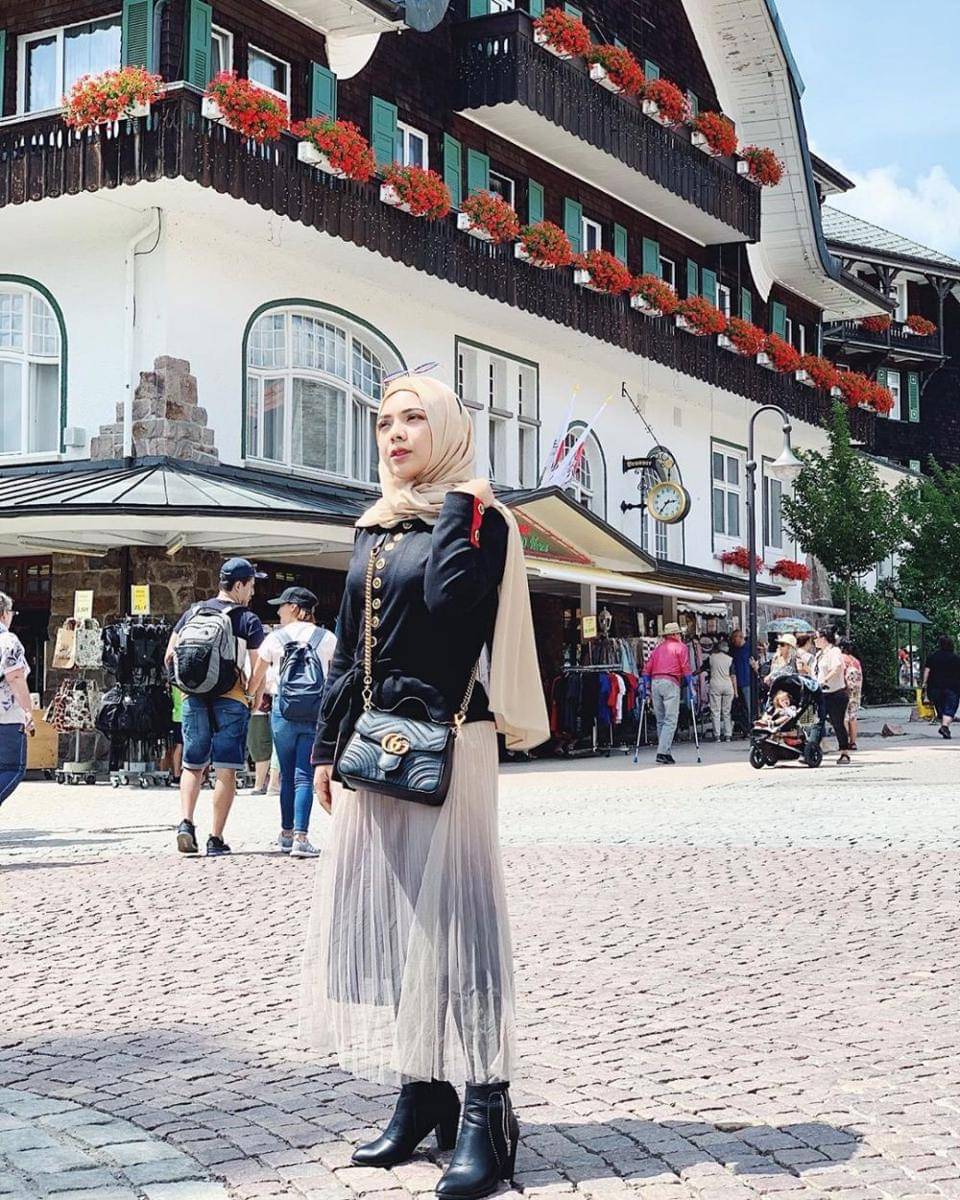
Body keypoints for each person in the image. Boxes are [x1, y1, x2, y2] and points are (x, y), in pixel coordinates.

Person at [301, 374, 548, 1199]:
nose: (395, 434)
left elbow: (449, 602)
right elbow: (349, 644)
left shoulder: (479, 522)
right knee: (406, 927)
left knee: (464, 922)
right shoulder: (373, 526)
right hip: (378, 750)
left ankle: (487, 1107)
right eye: (384, 422)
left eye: (414, 419)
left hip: (452, 741)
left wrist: (462, 504)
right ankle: (423, 1091)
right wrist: (326, 747)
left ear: (447, 431)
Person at [165, 558, 266, 856]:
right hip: (231, 698)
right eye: (251, 585)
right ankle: (215, 838)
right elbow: (260, 663)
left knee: (192, 764)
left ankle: (185, 823)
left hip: (193, 698)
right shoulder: (247, 619)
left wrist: (186, 688)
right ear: (239, 585)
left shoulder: (193, 612)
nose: (252, 592)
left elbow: (170, 656)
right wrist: (250, 692)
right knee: (226, 768)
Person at [248, 587, 335, 857]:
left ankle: (286, 834)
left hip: (282, 712)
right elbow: (336, 678)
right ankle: (301, 837)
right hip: (314, 713)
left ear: (296, 608)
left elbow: (257, 678)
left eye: (282, 606)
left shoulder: (275, 638)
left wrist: (250, 699)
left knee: (286, 774)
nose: (278, 611)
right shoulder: (327, 638)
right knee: (304, 775)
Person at [0, 592, 34, 808]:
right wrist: (28, 711)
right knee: (12, 768)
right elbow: (15, 677)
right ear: (4, 613)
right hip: (6, 715)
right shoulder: (8, 641)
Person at [641, 622, 692, 764]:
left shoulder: (657, 649)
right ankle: (662, 752)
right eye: (679, 634)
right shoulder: (681, 647)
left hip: (655, 682)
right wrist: (691, 685)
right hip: (670, 682)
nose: (680, 636)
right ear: (675, 634)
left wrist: (646, 687)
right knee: (670, 719)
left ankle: (666, 751)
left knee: (661, 720)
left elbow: (646, 669)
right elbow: (685, 667)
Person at [814, 627, 850, 764]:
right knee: (816, 722)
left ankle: (844, 752)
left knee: (837, 723)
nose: (814, 640)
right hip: (820, 693)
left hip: (835, 693)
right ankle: (812, 750)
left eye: (816, 637)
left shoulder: (834, 652)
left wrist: (825, 679)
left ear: (824, 638)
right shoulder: (819, 654)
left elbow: (837, 667)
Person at [922, 635, 960, 740]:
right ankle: (945, 726)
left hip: (934, 687)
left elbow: (927, 671)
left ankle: (944, 725)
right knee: (950, 707)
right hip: (952, 687)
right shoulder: (956, 658)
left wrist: (924, 683)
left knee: (940, 708)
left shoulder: (932, 657)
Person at [704, 638, 736, 743]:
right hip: (728, 685)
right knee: (727, 712)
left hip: (715, 685)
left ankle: (717, 736)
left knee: (715, 711)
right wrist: (736, 691)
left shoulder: (711, 658)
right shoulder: (730, 659)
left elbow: (702, 668)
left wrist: (694, 673)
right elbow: (733, 676)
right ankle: (728, 735)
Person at [840, 638, 863, 751]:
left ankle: (844, 742)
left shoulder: (842, 659)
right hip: (856, 691)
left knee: (844, 717)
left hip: (844, 689)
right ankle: (853, 742)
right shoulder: (856, 661)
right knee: (853, 716)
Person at [730, 629, 754, 723]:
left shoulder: (749, 648)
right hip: (736, 683)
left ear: (740, 637)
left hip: (746, 681)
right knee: (740, 707)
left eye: (734, 639)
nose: (733, 641)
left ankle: (750, 723)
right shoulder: (733, 650)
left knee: (748, 705)